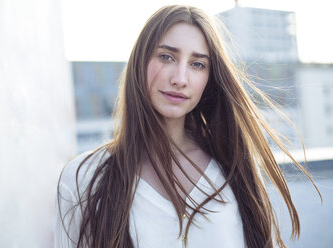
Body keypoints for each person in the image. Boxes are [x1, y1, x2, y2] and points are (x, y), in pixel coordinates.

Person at [55, 5, 320, 248]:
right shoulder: (84, 178)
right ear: (140, 62)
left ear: (209, 78)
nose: (180, 79)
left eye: (197, 64)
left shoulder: (234, 166)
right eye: (166, 57)